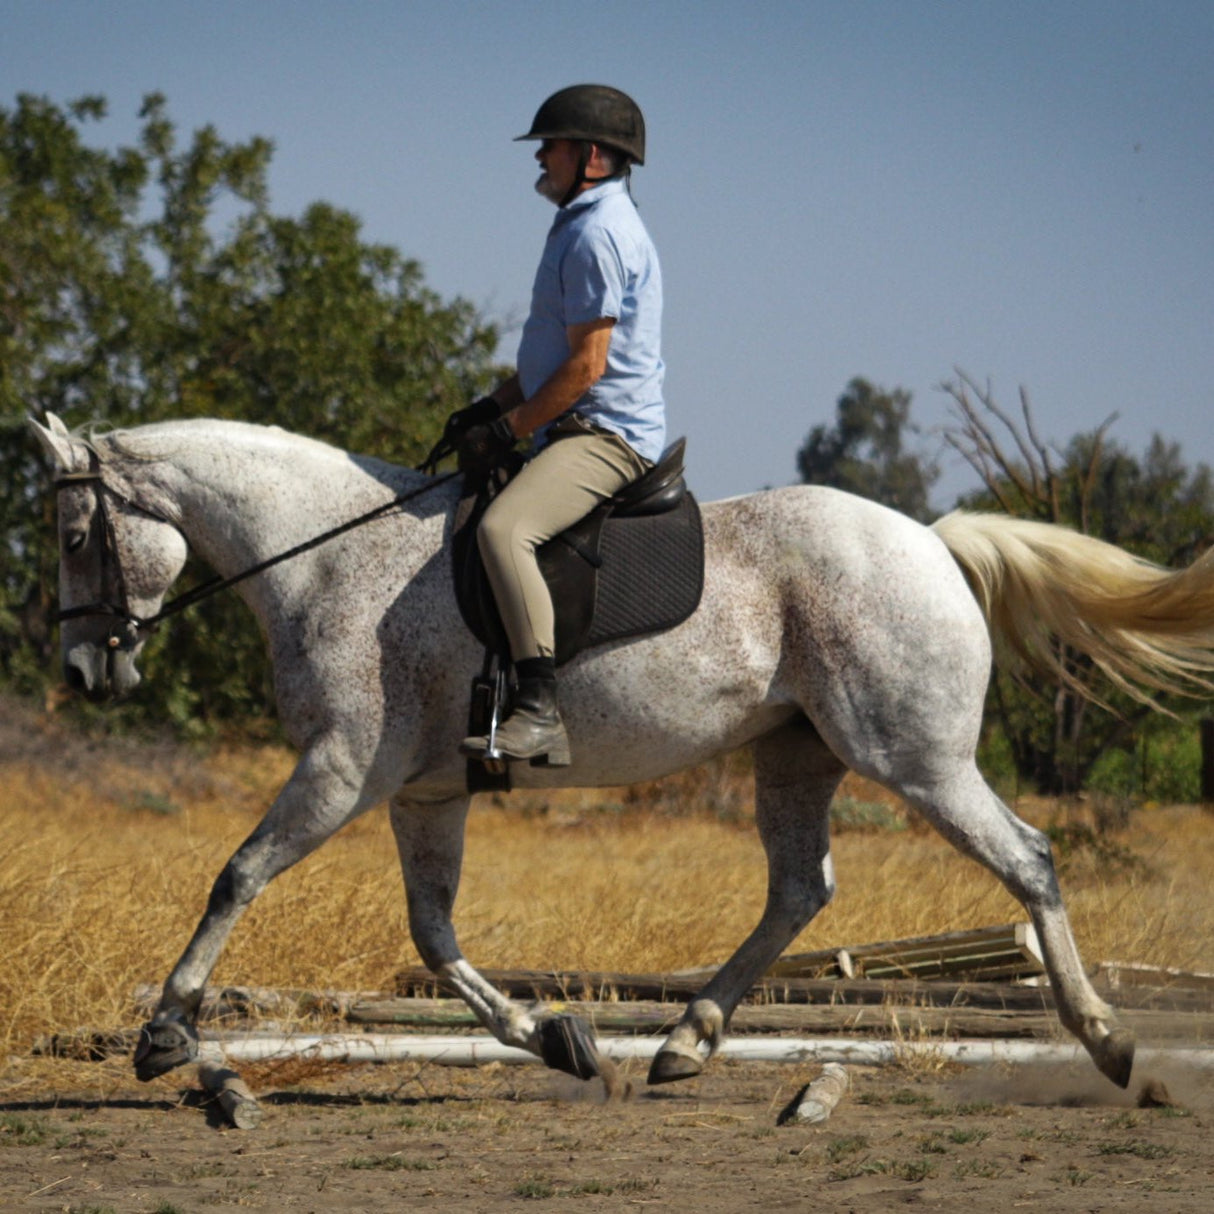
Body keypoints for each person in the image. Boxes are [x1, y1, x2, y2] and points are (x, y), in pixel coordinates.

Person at [451, 84, 665, 767]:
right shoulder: (578, 222)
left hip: (605, 434)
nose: (541, 156)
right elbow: (549, 360)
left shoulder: (600, 233)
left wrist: (510, 428)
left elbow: (585, 368)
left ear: (593, 157)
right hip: (565, 421)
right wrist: (490, 408)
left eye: (554, 145)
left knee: (502, 530)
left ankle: (540, 711)